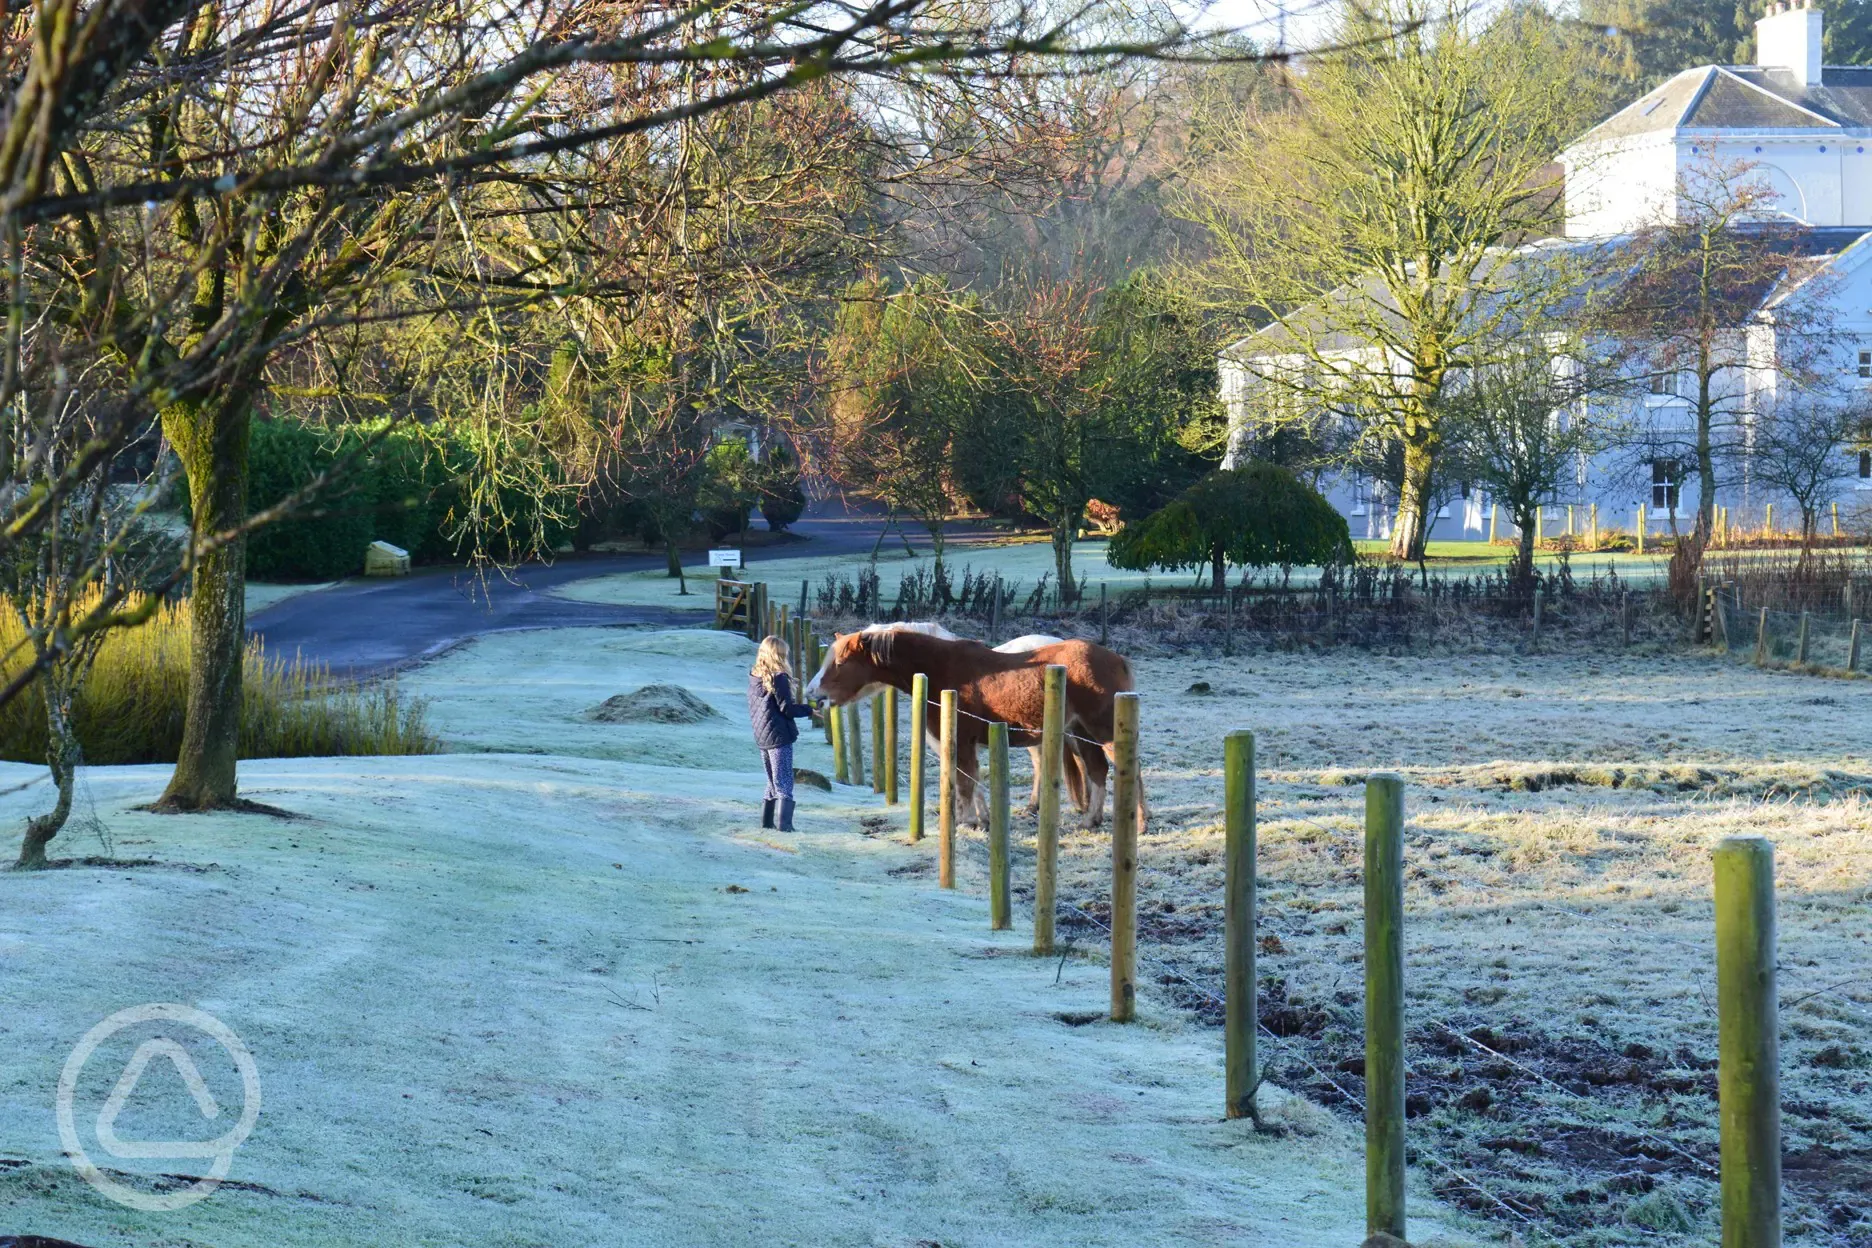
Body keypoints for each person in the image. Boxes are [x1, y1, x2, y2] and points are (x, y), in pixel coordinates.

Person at [747, 635, 815, 831]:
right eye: (784, 655)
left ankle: (766, 823)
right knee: (784, 781)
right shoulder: (779, 678)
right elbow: (787, 709)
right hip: (778, 737)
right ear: (778, 655)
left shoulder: (755, 677)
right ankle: (785, 827)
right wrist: (809, 710)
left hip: (762, 737)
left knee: (772, 782)